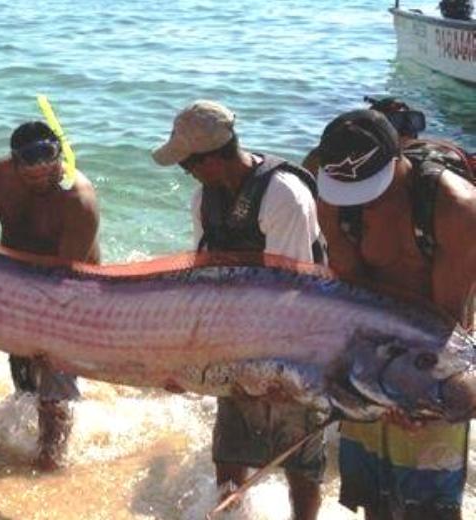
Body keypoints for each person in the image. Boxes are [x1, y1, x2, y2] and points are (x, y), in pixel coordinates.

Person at [151, 100, 326, 520]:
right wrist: (186, 357)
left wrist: (275, 371)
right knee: (229, 450)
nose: (186, 172)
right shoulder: (203, 200)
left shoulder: (284, 195)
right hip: (235, 338)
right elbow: (202, 281)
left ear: (211, 159)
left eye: (187, 164)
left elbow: (294, 291)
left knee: (299, 461)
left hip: (301, 339)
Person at [314, 109, 476, 519]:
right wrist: (369, 387)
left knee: (429, 507)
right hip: (369, 350)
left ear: (397, 157)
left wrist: (414, 395)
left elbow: (445, 322)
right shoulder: (335, 199)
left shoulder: (455, 209)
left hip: (435, 351)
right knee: (374, 499)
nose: (362, 203)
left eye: (372, 189)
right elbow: (349, 296)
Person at [0, 121, 99, 471]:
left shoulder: (78, 199)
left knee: (54, 364)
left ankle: (51, 458)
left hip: (72, 288)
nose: (42, 173)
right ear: (13, 162)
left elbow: (67, 276)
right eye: (30, 166)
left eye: (49, 163)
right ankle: (25, 430)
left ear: (60, 156)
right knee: (22, 369)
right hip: (17, 284)